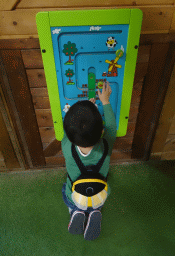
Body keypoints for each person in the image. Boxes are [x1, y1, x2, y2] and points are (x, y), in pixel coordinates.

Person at [61, 81, 117, 240]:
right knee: (96, 197)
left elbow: (67, 130)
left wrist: (80, 112)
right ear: (101, 131)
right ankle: (94, 210)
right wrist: (105, 101)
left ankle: (75, 211)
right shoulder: (106, 146)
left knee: (67, 189)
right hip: (100, 194)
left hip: (75, 195)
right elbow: (112, 127)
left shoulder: (66, 146)